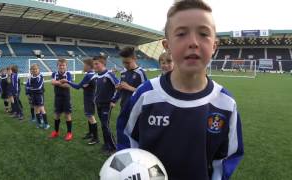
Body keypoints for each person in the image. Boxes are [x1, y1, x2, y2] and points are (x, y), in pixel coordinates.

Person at [116, 1, 244, 179]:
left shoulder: (226, 104)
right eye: (182, 34)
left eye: (203, 34)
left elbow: (226, 159)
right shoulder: (146, 95)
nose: (193, 42)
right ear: (166, 45)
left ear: (214, 45)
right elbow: (127, 138)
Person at [60, 58, 99, 145]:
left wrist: (68, 81)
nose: (83, 66)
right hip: (91, 98)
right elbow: (85, 86)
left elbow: (78, 86)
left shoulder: (89, 75)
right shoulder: (93, 74)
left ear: (88, 66)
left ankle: (96, 138)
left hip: (90, 99)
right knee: (89, 116)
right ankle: (91, 133)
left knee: (91, 117)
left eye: (84, 65)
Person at [93, 55, 119, 154]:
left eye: (96, 64)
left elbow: (119, 87)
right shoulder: (97, 75)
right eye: (94, 64)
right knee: (103, 125)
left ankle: (113, 147)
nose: (94, 66)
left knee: (105, 125)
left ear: (103, 64)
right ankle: (106, 144)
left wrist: (114, 100)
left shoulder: (109, 74)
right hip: (98, 104)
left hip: (106, 105)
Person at [50, 58, 73, 141]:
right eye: (60, 65)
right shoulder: (54, 73)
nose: (61, 67)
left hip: (66, 98)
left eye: (63, 65)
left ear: (66, 66)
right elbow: (52, 82)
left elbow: (68, 85)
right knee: (57, 115)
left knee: (67, 115)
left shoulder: (68, 74)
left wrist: (57, 83)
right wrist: (62, 81)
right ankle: (56, 132)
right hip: (57, 97)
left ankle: (69, 133)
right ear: (57, 66)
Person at [26, 64, 49, 129]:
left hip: (39, 95)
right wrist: (29, 90)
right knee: (36, 109)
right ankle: (39, 123)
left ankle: (46, 124)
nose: (34, 70)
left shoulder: (40, 76)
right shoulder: (30, 77)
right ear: (31, 70)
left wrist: (30, 88)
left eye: (36, 69)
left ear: (39, 70)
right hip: (33, 95)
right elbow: (27, 85)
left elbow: (38, 87)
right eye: (33, 69)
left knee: (42, 109)